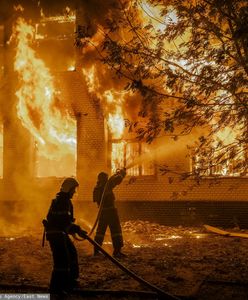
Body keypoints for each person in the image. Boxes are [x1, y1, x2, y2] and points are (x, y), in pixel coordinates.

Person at [43, 177, 87, 294]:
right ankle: (56, 288)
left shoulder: (63, 200)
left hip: (59, 233)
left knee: (71, 253)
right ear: (68, 189)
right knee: (61, 261)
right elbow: (63, 222)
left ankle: (70, 281)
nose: (74, 192)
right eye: (73, 190)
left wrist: (76, 229)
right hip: (56, 234)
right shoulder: (63, 202)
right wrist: (77, 229)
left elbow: (65, 222)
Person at [93, 168, 126, 258]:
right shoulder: (106, 185)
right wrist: (122, 174)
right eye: (106, 178)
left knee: (100, 232)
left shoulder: (97, 187)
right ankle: (117, 251)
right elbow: (116, 181)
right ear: (104, 178)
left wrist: (117, 174)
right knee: (116, 231)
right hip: (111, 211)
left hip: (102, 212)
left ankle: (96, 251)